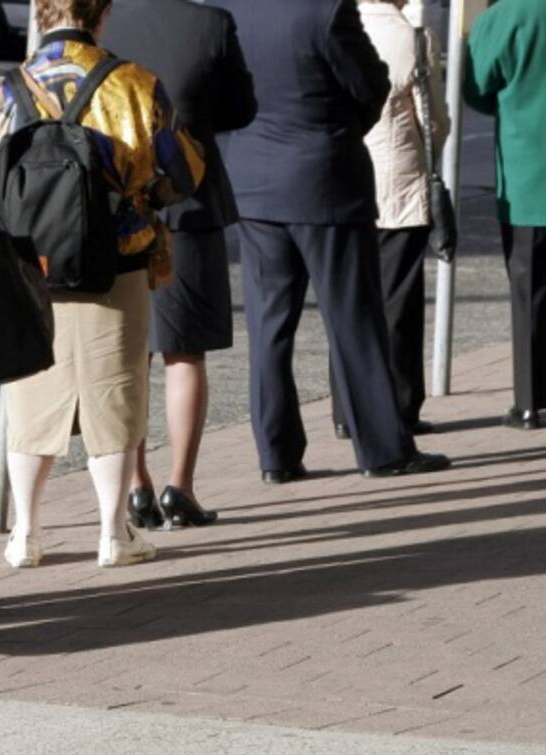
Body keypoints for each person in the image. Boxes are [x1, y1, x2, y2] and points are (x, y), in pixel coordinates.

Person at [0, 0, 205, 568]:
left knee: (30, 396)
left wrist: (14, 224)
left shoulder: (4, 90)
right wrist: (139, 202)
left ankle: (25, 532)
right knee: (114, 394)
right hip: (113, 264)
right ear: (102, 12)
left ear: (43, 14)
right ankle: (113, 533)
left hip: (30, 266)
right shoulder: (134, 84)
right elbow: (184, 172)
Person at [212, 0, 450, 481]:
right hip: (324, 176)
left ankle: (276, 455)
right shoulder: (325, 9)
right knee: (354, 319)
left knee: (269, 325)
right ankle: (382, 448)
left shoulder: (231, 8)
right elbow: (370, 84)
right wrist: (340, 129)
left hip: (257, 183)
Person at [102, 0, 257, 529]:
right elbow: (241, 109)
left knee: (130, 354)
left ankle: (136, 485)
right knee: (184, 353)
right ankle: (180, 487)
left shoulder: (107, 19)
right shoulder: (210, 23)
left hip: (120, 204)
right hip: (189, 204)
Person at [330, 0, 449, 440]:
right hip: (399, 186)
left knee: (347, 296)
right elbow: (433, 122)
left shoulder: (339, 25)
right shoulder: (413, 38)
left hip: (347, 181)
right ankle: (399, 405)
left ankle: (345, 408)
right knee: (398, 301)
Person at [464, 0, 546, 430]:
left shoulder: (503, 16)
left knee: (528, 291)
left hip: (526, 174)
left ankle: (531, 402)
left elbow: (475, 85)